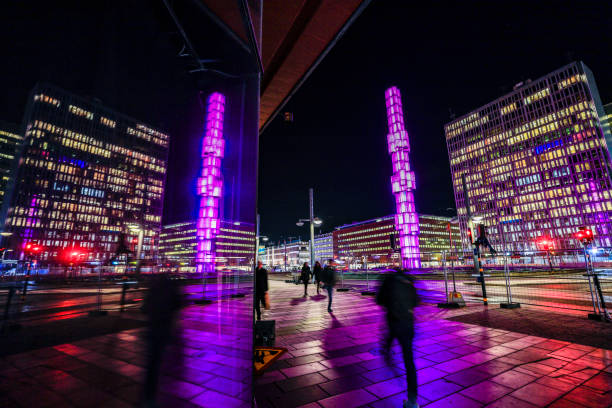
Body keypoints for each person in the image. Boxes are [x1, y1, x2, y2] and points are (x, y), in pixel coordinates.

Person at [376, 268, 419, 408]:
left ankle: (387, 354)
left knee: (389, 337)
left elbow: (379, 299)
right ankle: (412, 401)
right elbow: (417, 301)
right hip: (408, 323)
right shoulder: (409, 280)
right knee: (409, 361)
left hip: (394, 321)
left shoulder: (388, 280)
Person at [142, 273, 181, 407]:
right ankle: (163, 391)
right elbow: (179, 304)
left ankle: (149, 396)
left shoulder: (153, 290)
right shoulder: (172, 288)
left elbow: (144, 308)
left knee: (152, 363)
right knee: (163, 361)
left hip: (153, 331)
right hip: (165, 330)